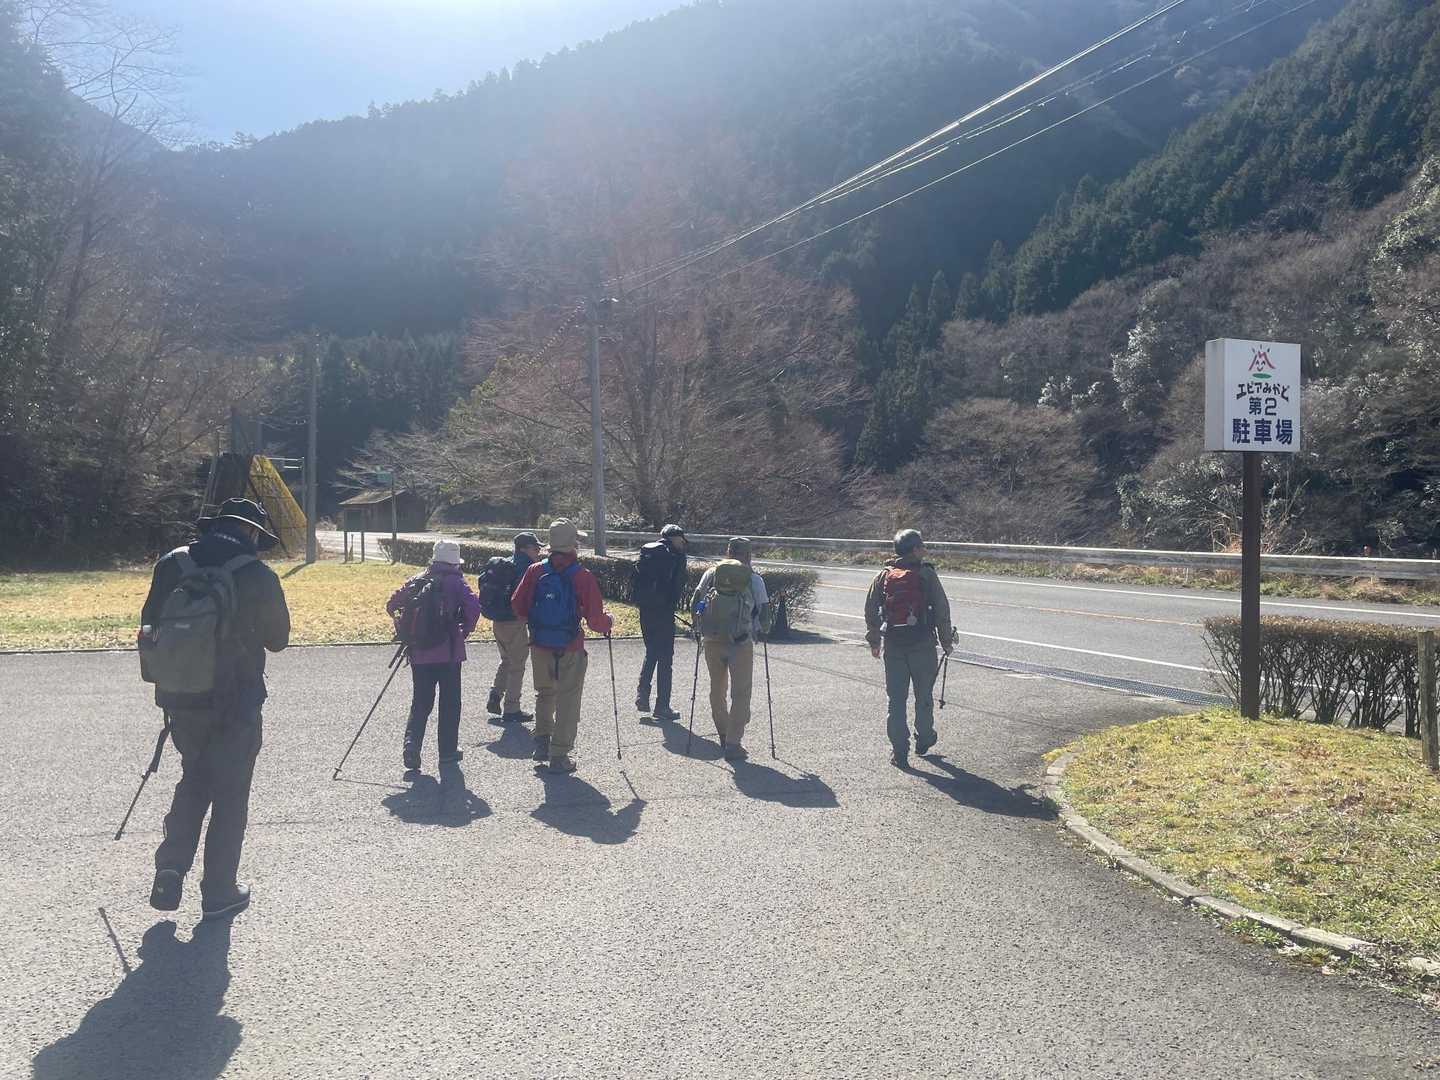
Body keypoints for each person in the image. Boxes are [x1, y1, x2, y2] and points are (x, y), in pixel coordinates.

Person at [140, 498, 290, 921]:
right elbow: (278, 639)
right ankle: (220, 891)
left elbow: (149, 623)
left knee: (194, 777)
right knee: (230, 794)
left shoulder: (172, 564)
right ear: (253, 533)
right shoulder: (257, 574)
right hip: (237, 700)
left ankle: (170, 869)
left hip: (182, 696)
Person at [510, 519, 614, 774]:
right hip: (570, 645)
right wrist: (609, 621)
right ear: (573, 543)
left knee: (545, 693)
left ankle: (541, 742)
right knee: (568, 699)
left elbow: (517, 605)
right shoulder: (582, 576)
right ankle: (559, 755)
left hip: (539, 643)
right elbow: (596, 622)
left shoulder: (535, 570)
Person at [386, 540, 482, 771]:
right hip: (449, 653)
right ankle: (447, 752)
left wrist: (406, 628)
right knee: (450, 703)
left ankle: (411, 745)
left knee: (421, 701)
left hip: (419, 652)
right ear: (454, 562)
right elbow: (474, 607)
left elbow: (392, 604)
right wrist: (464, 631)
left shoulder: (417, 580)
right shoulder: (457, 582)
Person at [864, 528, 954, 769]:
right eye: (921, 545)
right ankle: (924, 738)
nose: (924, 549)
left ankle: (899, 751)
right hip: (923, 644)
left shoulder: (884, 576)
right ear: (915, 549)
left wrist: (875, 641)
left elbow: (870, 610)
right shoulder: (927, 574)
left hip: (894, 645)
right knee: (923, 696)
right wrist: (946, 641)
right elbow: (942, 610)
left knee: (896, 700)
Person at [691, 537, 770, 762]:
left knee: (717, 689)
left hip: (712, 639)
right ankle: (734, 744)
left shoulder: (711, 573)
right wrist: (763, 630)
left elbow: (696, 601)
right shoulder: (753, 579)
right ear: (748, 555)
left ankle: (724, 734)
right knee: (741, 693)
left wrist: (697, 625)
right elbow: (764, 612)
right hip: (740, 641)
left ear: (728, 552)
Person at [481, 531, 543, 724]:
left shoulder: (504, 564)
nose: (538, 551)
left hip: (497, 620)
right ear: (524, 548)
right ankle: (512, 708)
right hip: (515, 622)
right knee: (517, 666)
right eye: (535, 548)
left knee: (506, 660)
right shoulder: (527, 568)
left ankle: (496, 694)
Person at [633, 523, 689, 721]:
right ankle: (662, 706)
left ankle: (642, 694)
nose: (683, 543)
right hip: (664, 613)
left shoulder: (647, 553)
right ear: (675, 538)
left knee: (651, 652)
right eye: (682, 539)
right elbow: (677, 588)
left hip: (646, 611)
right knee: (665, 659)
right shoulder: (676, 557)